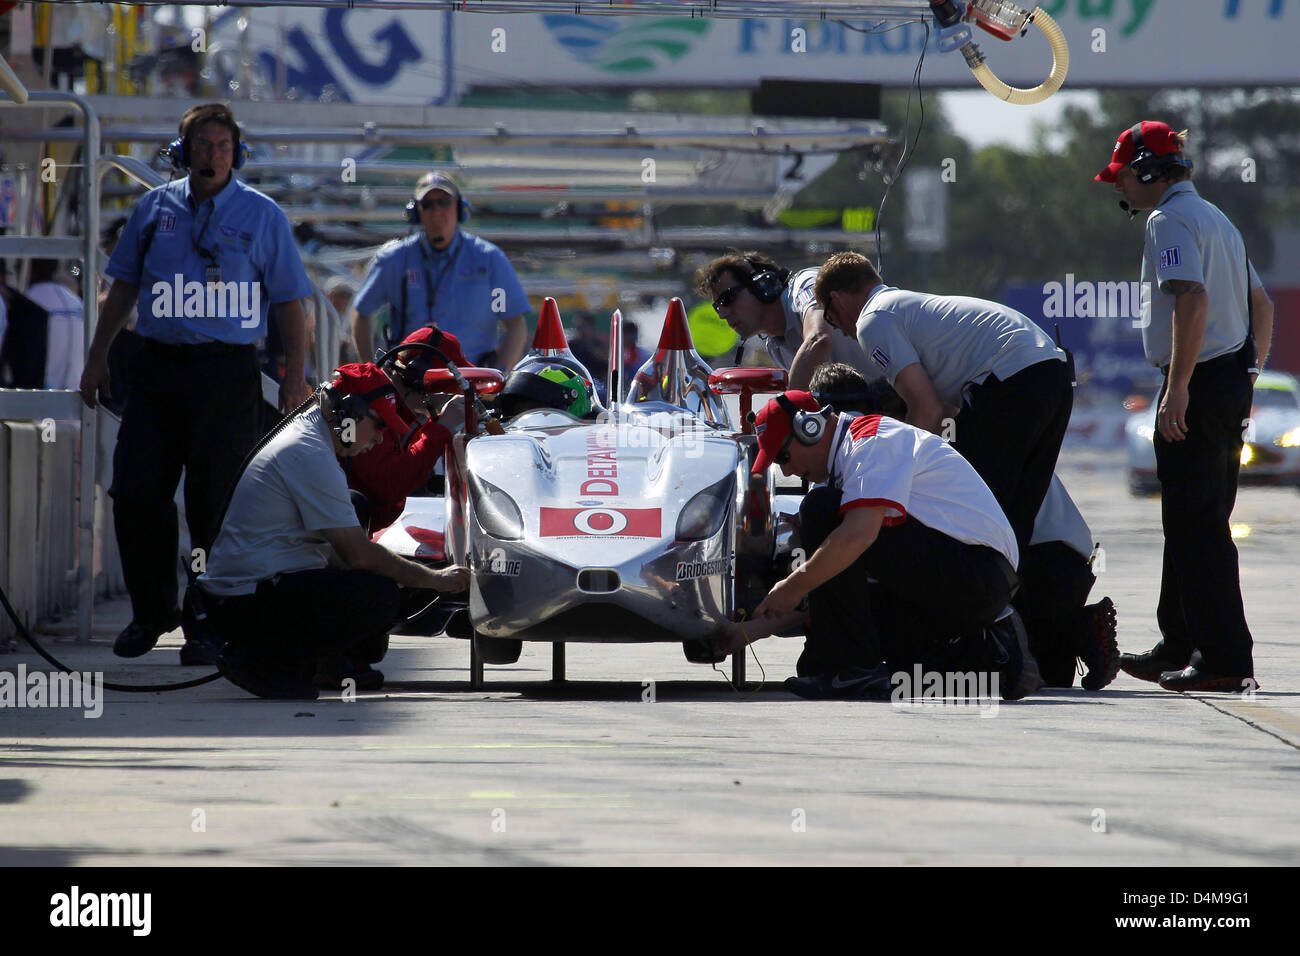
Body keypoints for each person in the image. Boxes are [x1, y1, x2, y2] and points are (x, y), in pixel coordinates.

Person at [79, 102, 314, 663]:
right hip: (158, 368)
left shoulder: (262, 216)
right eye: (203, 146)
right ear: (182, 152)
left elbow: (290, 303)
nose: (213, 155)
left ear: (237, 155)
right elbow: (123, 290)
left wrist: (294, 378)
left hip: (226, 373)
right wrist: (97, 358)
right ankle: (151, 611)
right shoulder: (152, 208)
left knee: (216, 503)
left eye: (223, 146)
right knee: (135, 491)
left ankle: (207, 618)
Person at [808, 362, 1120, 690]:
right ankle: (1075, 628)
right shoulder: (935, 443)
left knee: (1003, 662)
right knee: (1044, 675)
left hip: (1043, 564)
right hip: (1064, 560)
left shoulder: (902, 452)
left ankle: (1077, 627)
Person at [713, 390, 1040, 702]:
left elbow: (857, 537)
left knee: (821, 510)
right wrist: (746, 632)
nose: (786, 469)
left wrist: (792, 584)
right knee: (884, 654)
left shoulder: (871, 438)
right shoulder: (852, 460)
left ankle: (847, 668)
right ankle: (996, 656)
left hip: (977, 572)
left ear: (810, 428)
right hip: (967, 581)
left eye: (783, 455)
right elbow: (832, 597)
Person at [1097, 120, 1273, 693]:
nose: (1119, 188)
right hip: (1227, 380)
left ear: (1148, 171)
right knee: (1195, 519)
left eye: (1122, 176)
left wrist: (1179, 386)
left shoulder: (1167, 220)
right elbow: (1262, 306)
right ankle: (1180, 641)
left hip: (1198, 383)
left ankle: (1223, 657)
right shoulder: (1217, 219)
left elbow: (1190, 298)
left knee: (1195, 526)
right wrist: (1247, 375)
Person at [196, 363, 470, 699]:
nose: (380, 438)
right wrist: (436, 580)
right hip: (244, 601)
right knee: (377, 596)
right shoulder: (309, 452)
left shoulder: (311, 437)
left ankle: (294, 662)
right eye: (378, 425)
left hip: (250, 592)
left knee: (383, 577)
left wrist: (411, 578)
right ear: (349, 413)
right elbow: (355, 553)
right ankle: (259, 660)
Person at [813, 251, 1072, 556]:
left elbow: (927, 411)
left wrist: (892, 480)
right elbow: (946, 411)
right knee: (1017, 511)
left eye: (830, 319)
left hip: (1011, 379)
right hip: (1053, 372)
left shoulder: (872, 321)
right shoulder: (904, 307)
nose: (840, 330)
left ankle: (986, 597)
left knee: (981, 510)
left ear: (837, 300)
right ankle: (1015, 598)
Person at [352, 172, 530, 370]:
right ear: (416, 212)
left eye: (444, 202)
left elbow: (515, 323)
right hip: (410, 387)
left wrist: (500, 374)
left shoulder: (489, 260)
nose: (436, 211)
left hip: (473, 385)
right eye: (427, 205)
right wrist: (371, 370)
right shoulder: (394, 260)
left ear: (460, 208)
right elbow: (362, 313)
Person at [345, 325, 468, 533]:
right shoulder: (370, 406)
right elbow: (389, 483)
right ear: (417, 377)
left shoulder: (390, 404)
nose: (450, 394)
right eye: (447, 386)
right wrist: (441, 428)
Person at [695, 251, 876, 390]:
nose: (722, 314)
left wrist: (787, 407)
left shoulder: (808, 285)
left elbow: (820, 339)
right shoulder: (775, 347)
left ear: (762, 285)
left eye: (727, 299)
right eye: (717, 307)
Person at [26, 259, 84, 390]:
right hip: (75, 390)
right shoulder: (77, 303)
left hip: (42, 391)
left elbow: (77, 274)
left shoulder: (30, 299)